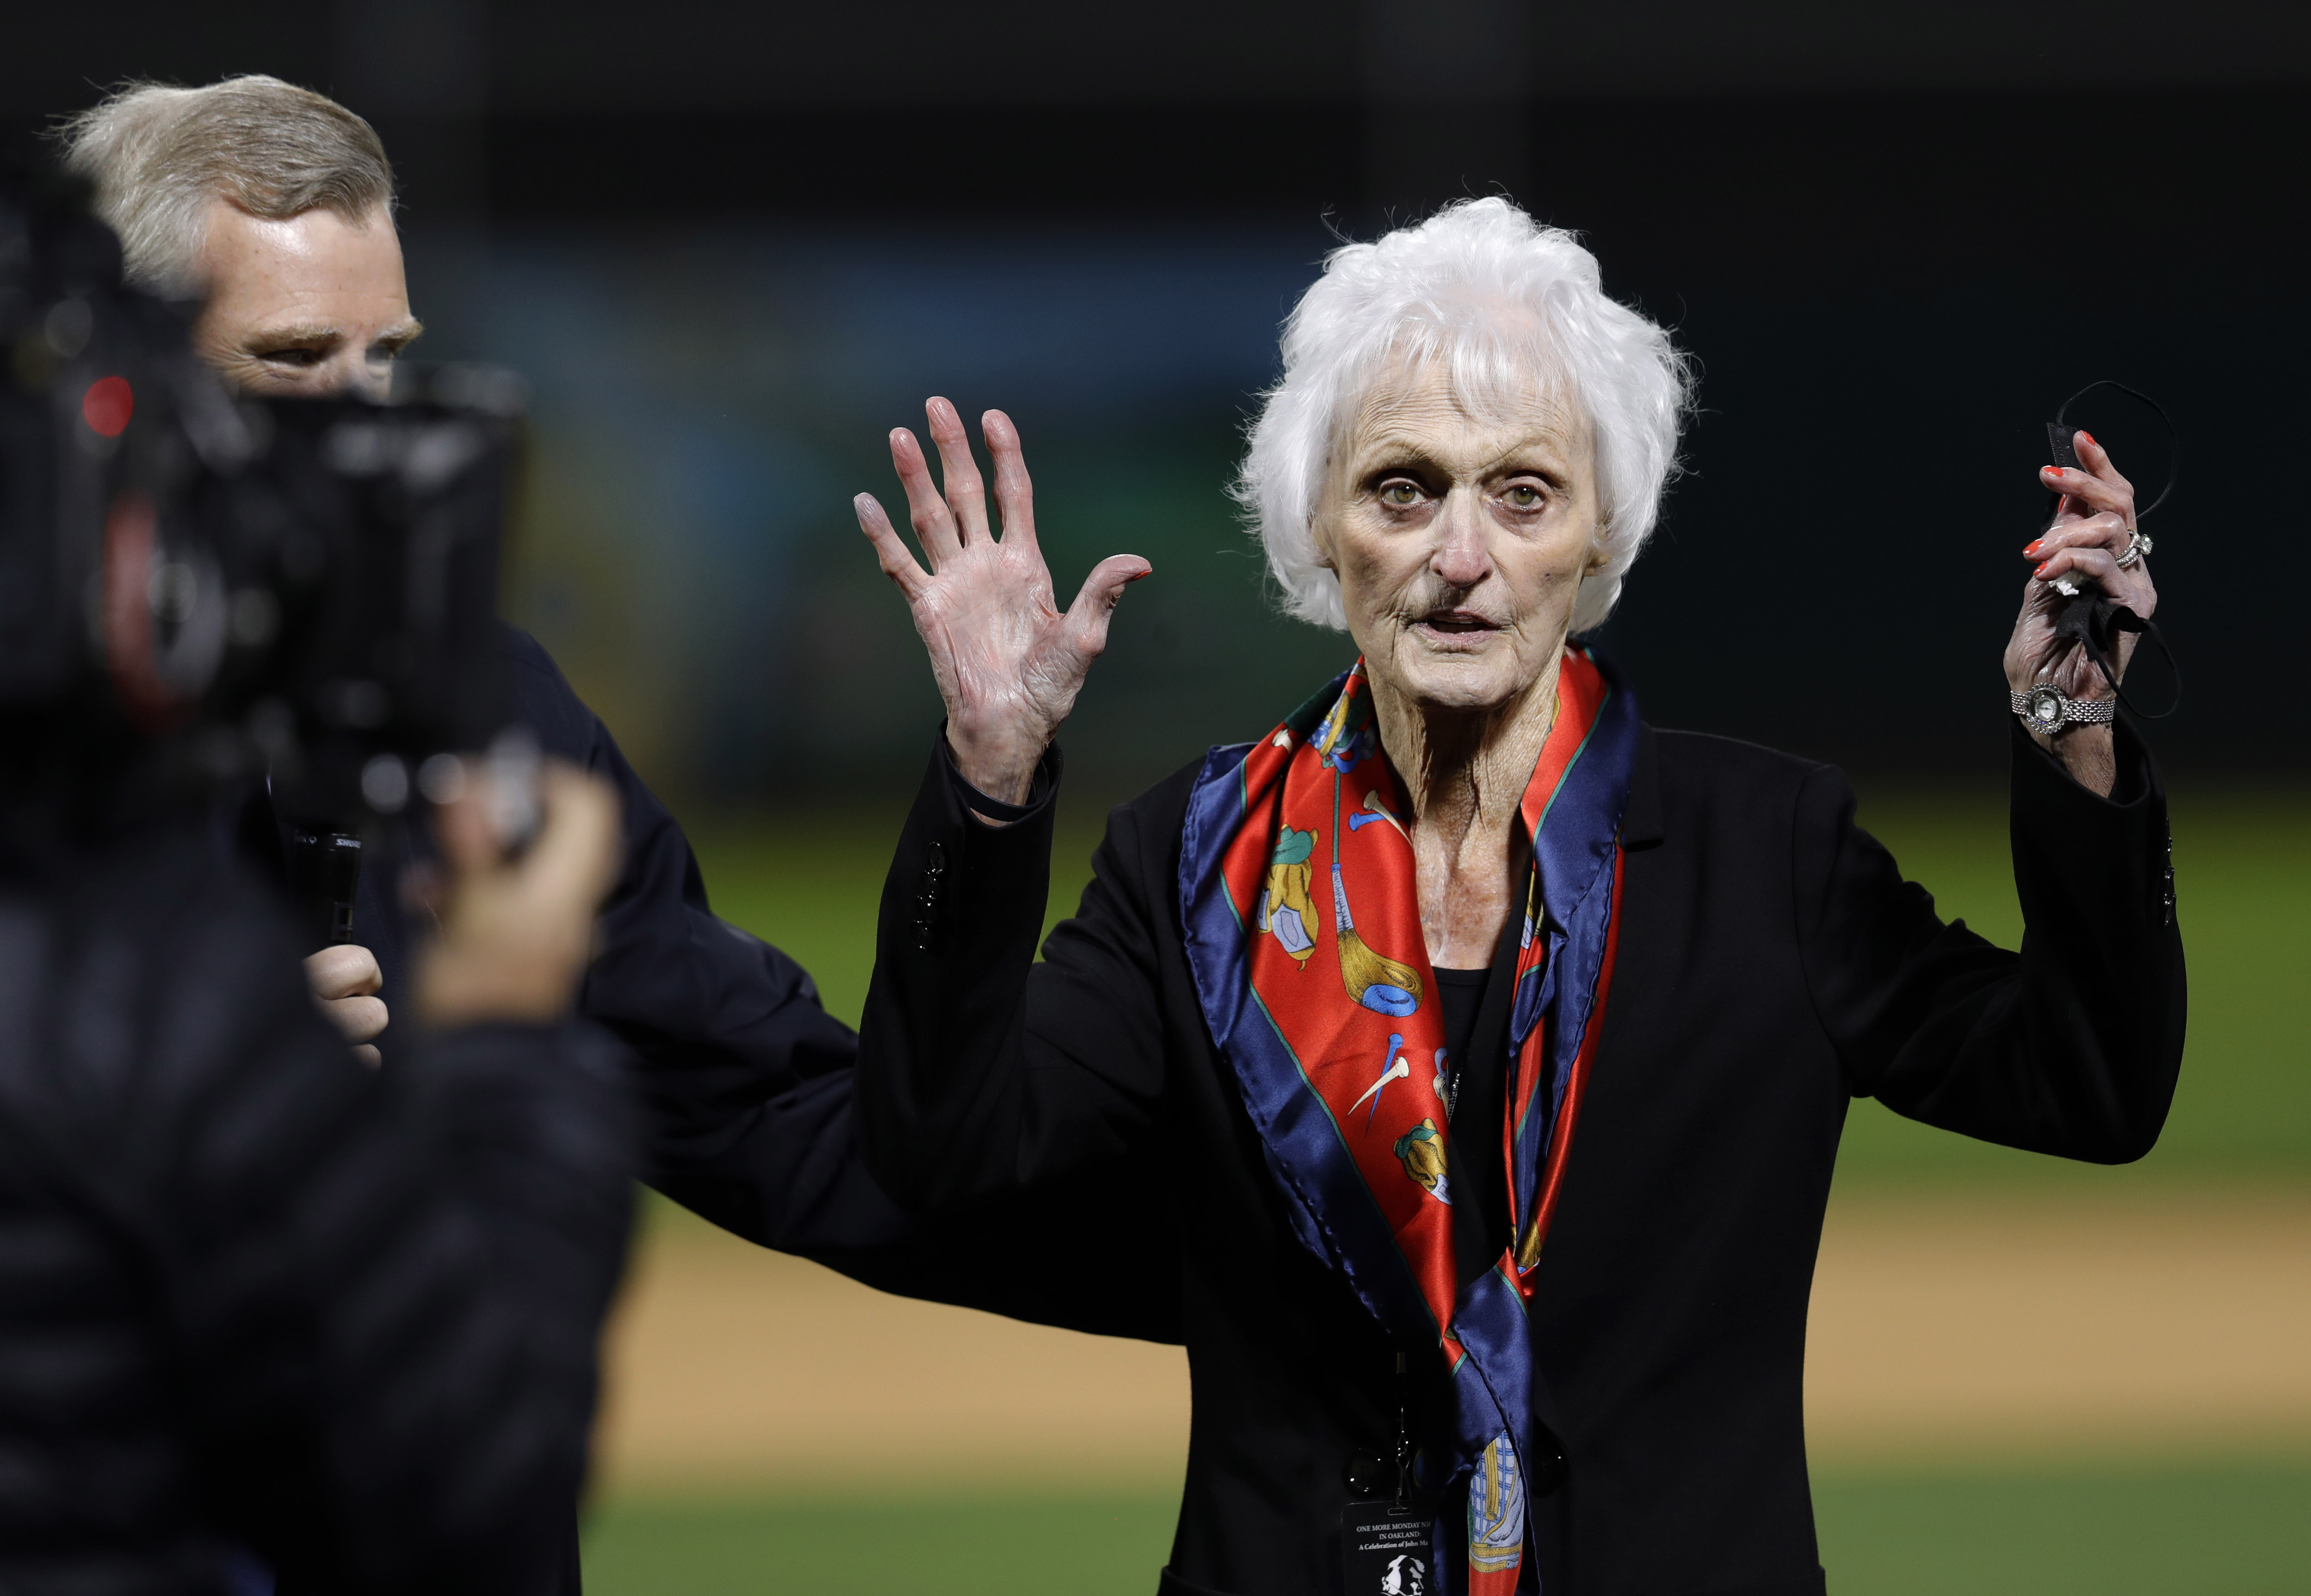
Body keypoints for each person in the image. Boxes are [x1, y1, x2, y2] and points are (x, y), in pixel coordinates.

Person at [848, 198, 2187, 1596]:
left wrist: (2066, 720)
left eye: (1523, 492)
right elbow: (944, 1153)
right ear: (1318, 522)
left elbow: (2088, 1086)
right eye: (1403, 487)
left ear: (1603, 531)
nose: (1461, 555)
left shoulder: (1765, 849)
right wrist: (988, 783)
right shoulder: (1193, 859)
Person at [51, 78, 1182, 1330]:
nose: (364, 420)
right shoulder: (29, 728)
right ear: (116, 382)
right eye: (292, 361)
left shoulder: (490, 715)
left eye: (386, 360)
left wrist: (1290, 1294)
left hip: (441, 1502)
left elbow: (785, 1122)